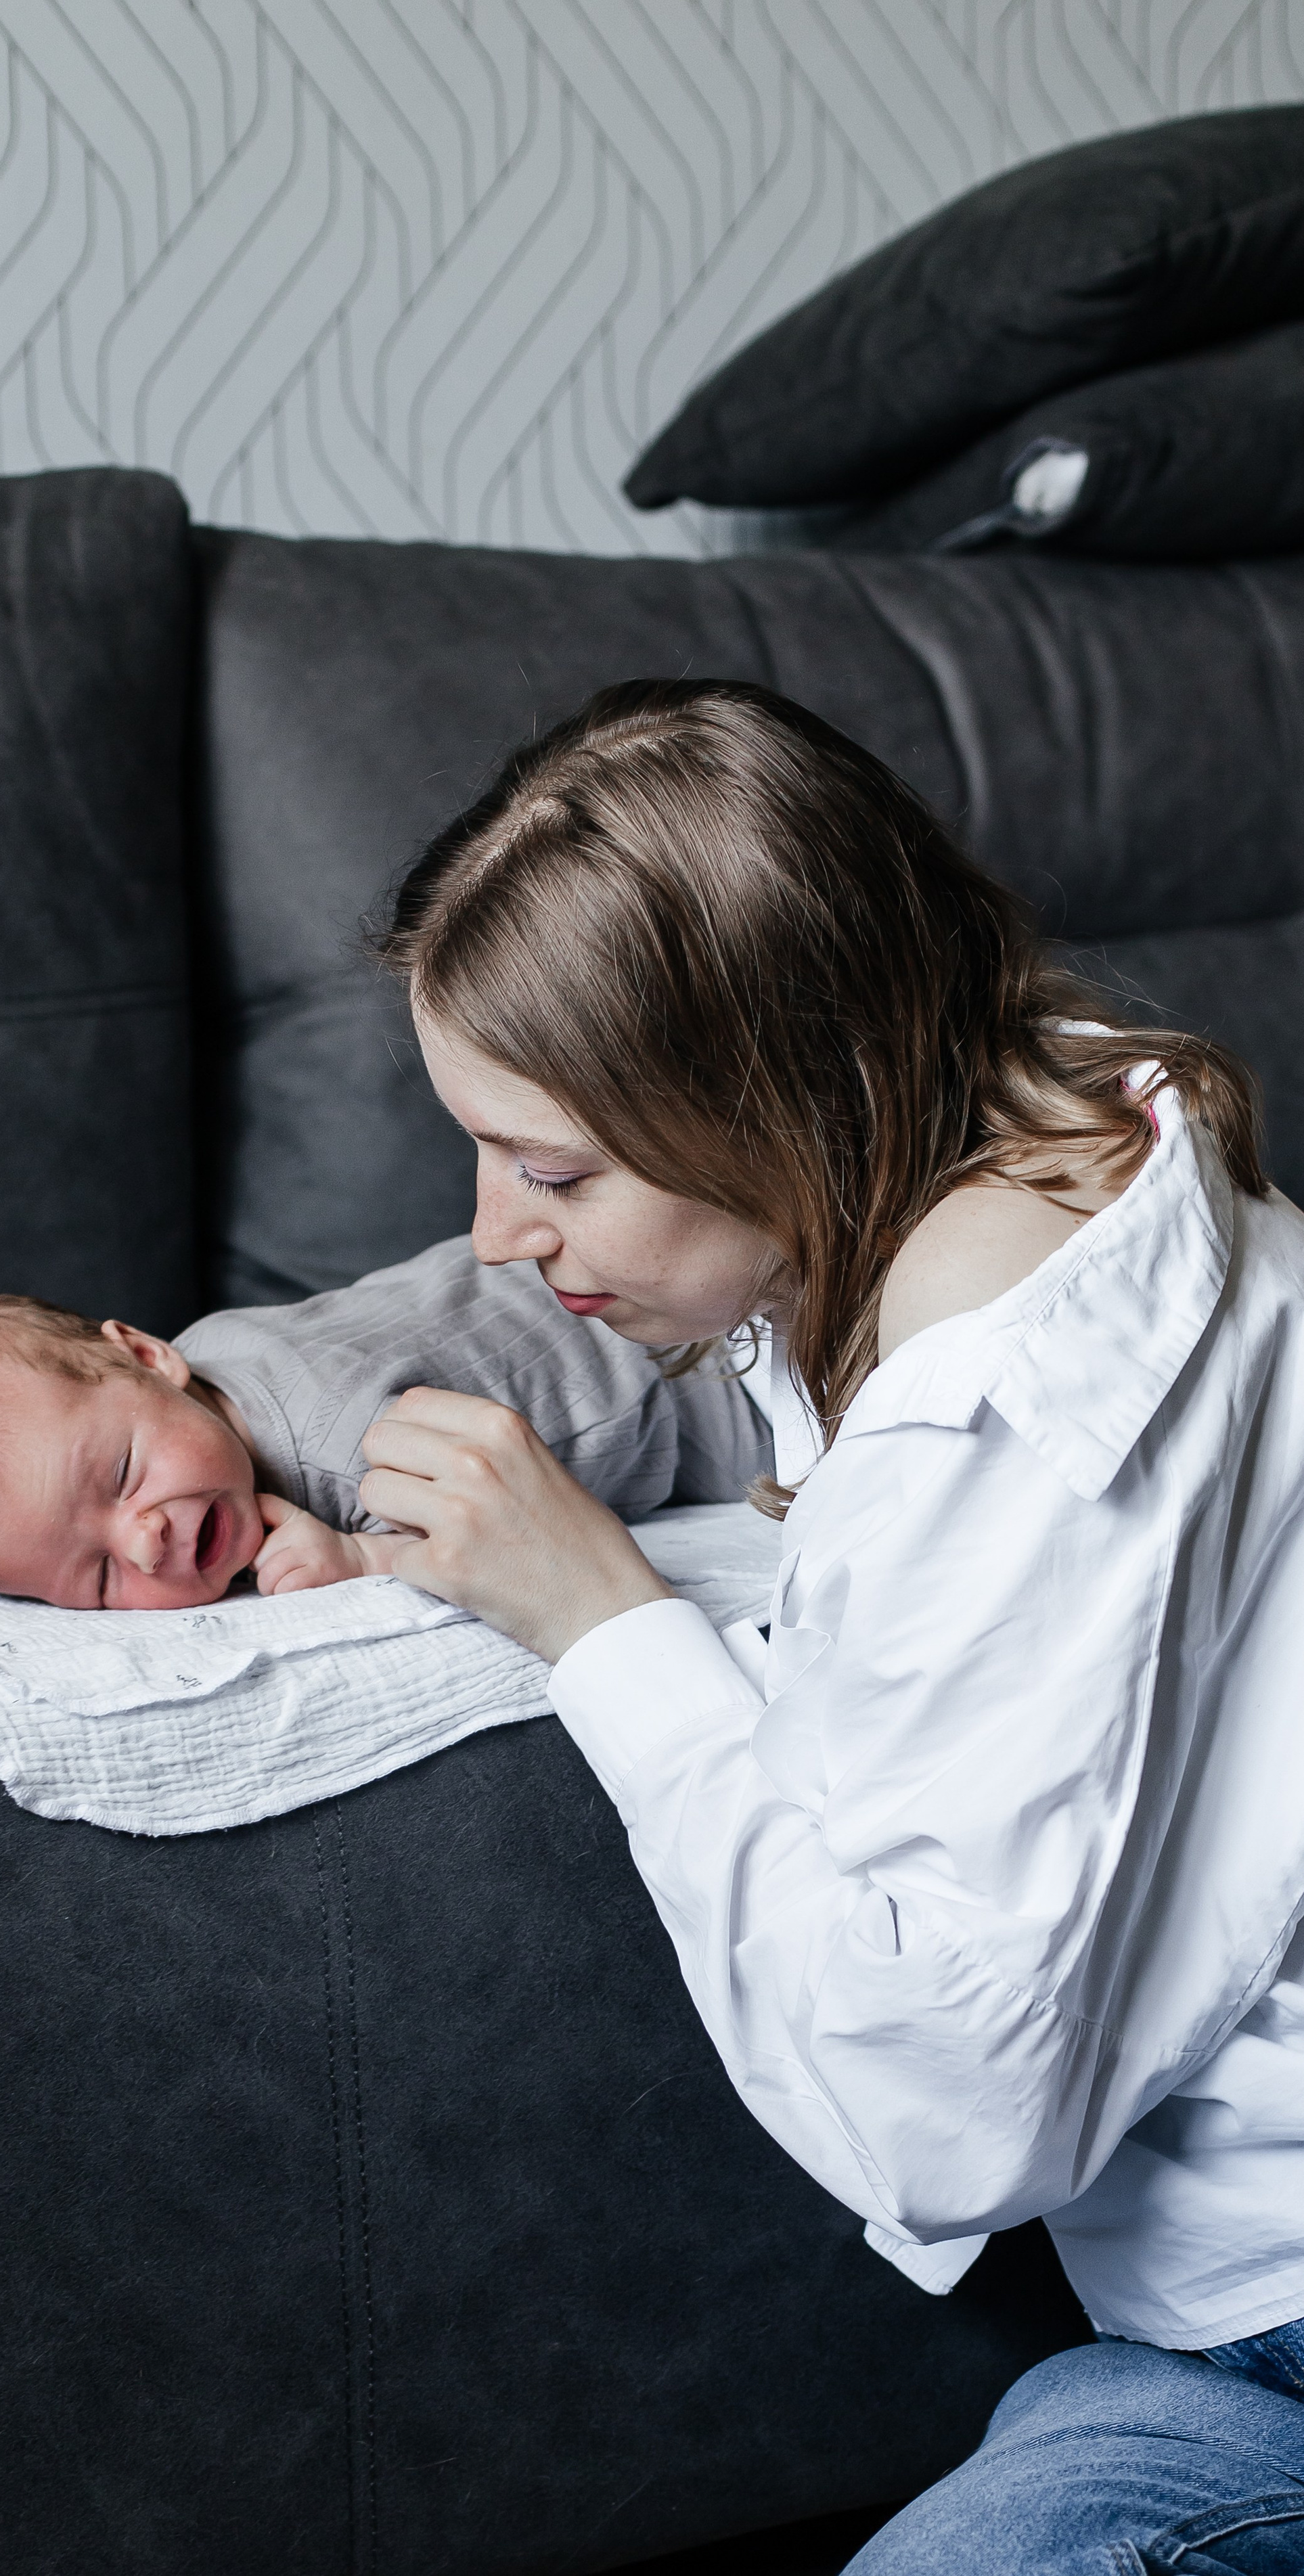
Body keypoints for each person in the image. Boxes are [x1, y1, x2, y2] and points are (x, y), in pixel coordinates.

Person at [354, 677, 1304, 2571]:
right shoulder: (1047, 1133)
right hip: (1201, 2346)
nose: (495, 1237)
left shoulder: (1003, 1413)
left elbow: (948, 2113)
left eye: (553, 1171)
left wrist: (606, 1626)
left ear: (779, 1089)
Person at [0, 1232, 767, 1609]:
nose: (144, 1544)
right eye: (100, 1581)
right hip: (597, 1276)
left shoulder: (343, 1457)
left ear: (148, 1357)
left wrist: (359, 1557)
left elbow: (498, 1540)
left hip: (700, 1379)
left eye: (120, 1477)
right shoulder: (201, 1367)